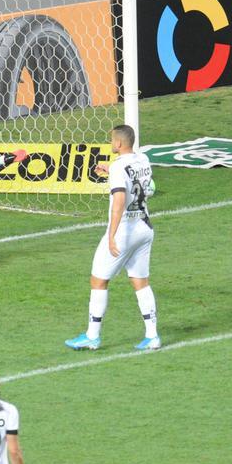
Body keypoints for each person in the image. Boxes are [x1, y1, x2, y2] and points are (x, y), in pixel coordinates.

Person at [65, 124, 160, 351]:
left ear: (118, 143)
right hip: (145, 228)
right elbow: (139, 182)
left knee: (98, 280)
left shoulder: (119, 168)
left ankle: (92, 336)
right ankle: (152, 336)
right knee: (140, 281)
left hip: (125, 231)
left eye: (111, 140)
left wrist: (111, 235)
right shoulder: (143, 160)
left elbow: (119, 202)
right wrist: (111, 169)